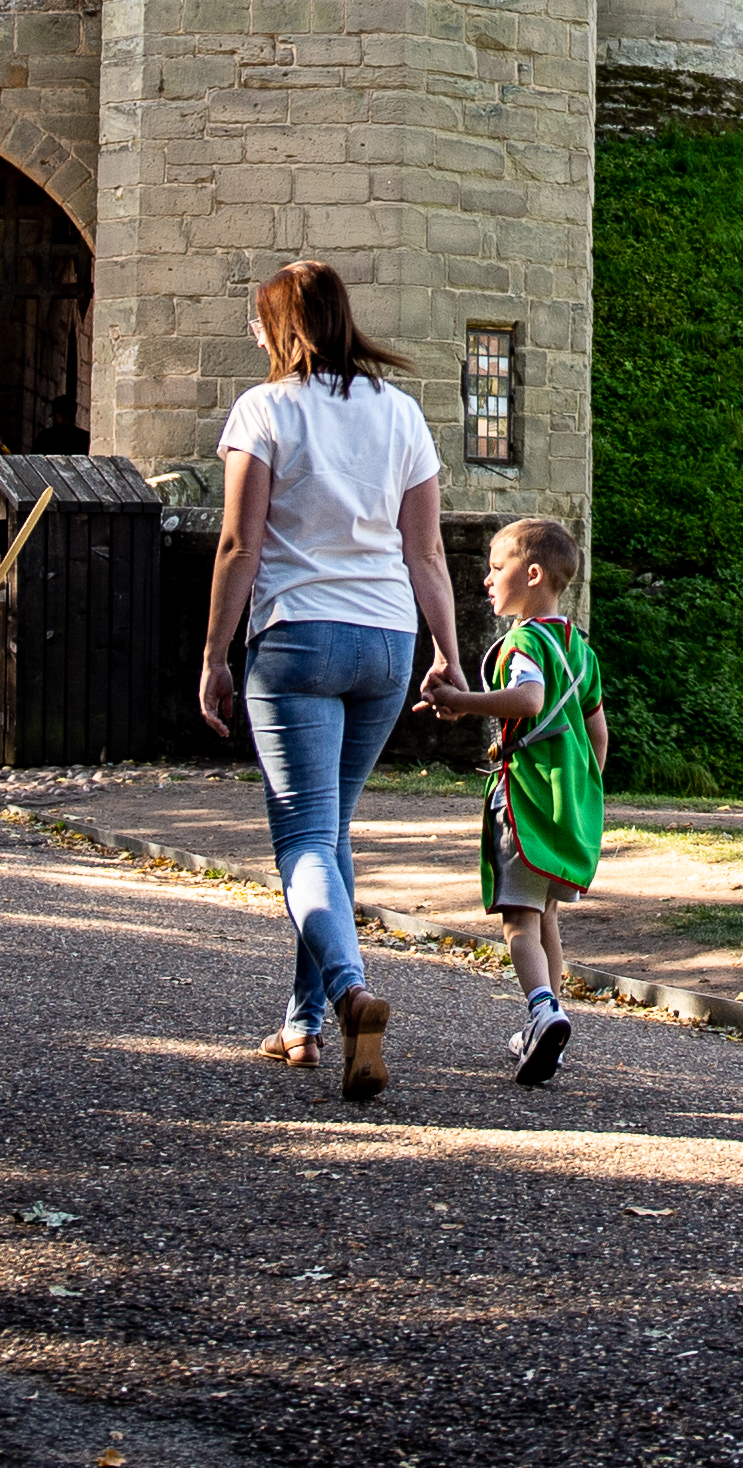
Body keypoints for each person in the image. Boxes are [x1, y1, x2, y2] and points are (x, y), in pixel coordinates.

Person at [196, 259, 464, 1102]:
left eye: (256, 321)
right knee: (333, 831)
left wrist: (213, 652)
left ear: (281, 327)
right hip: (386, 638)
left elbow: (240, 545)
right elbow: (425, 550)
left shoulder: (265, 410)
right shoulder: (402, 412)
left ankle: (351, 992)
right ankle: (303, 1024)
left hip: (297, 639)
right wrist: (449, 652)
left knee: (305, 840)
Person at [423, 514, 608, 1085]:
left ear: (531, 575)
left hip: (524, 798)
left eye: (495, 568)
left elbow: (527, 701)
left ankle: (541, 1011)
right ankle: (553, 1018)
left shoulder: (524, 640)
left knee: (518, 920)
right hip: (566, 805)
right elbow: (598, 733)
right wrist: (582, 791)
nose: (486, 579)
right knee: (547, 916)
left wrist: (461, 698)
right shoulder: (580, 648)